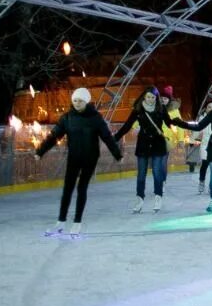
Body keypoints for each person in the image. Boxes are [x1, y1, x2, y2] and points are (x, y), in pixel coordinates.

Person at [36, 88, 122, 237]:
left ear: (86, 101)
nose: (77, 103)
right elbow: (54, 136)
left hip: (90, 157)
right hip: (74, 157)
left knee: (82, 188)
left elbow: (107, 137)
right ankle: (61, 222)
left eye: (80, 101)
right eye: (75, 100)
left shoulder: (96, 118)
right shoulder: (67, 118)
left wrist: (117, 154)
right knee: (67, 189)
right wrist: (40, 151)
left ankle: (77, 223)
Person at [113, 87, 174, 213]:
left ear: (156, 98)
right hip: (143, 144)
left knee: (157, 172)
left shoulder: (160, 109)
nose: (150, 99)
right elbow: (127, 125)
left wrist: (178, 124)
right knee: (141, 174)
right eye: (148, 97)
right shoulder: (138, 110)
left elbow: (169, 122)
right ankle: (140, 198)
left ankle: (158, 196)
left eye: (153, 97)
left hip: (158, 144)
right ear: (144, 97)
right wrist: (115, 138)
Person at [194, 101, 212, 192]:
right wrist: (193, 139)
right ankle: (201, 182)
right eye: (209, 107)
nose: (211, 109)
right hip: (205, 145)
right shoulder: (202, 118)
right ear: (206, 109)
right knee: (205, 165)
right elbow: (197, 130)